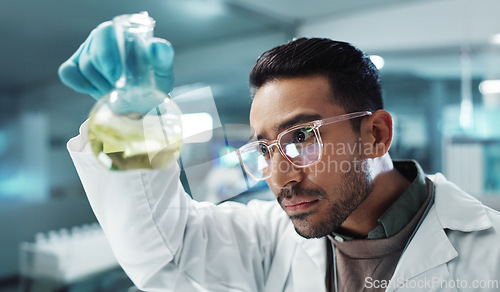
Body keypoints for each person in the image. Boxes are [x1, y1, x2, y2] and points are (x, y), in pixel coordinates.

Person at [59, 21, 500, 292]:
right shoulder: (274, 237)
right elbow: (165, 252)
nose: (278, 175)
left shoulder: (490, 255)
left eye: (301, 137)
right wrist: (132, 120)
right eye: (265, 149)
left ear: (376, 134)